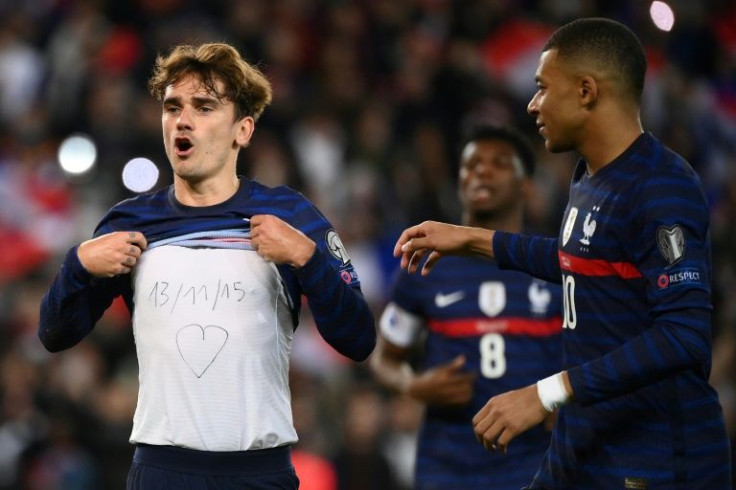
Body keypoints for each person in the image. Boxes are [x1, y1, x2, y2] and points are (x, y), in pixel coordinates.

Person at [394, 18, 732, 489]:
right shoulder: (588, 176)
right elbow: (581, 262)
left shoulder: (662, 188)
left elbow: (684, 334)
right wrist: (473, 240)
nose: (532, 104)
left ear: (586, 91)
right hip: (586, 444)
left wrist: (546, 393)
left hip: (656, 458)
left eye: (541, 88)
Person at [38, 42, 376, 489]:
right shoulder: (130, 222)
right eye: (172, 106)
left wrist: (308, 260)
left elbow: (358, 340)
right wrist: (77, 266)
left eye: (203, 106)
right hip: (160, 472)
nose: (182, 119)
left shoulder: (290, 216)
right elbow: (55, 335)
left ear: (243, 130)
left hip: (259, 471)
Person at [370, 125, 563, 489]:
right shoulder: (426, 264)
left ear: (526, 186)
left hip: (538, 464)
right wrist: (414, 384)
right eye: (471, 164)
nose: (482, 171)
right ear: (458, 181)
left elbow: (594, 352)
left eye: (499, 163)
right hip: (447, 467)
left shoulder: (552, 262)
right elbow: (384, 359)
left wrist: (566, 399)